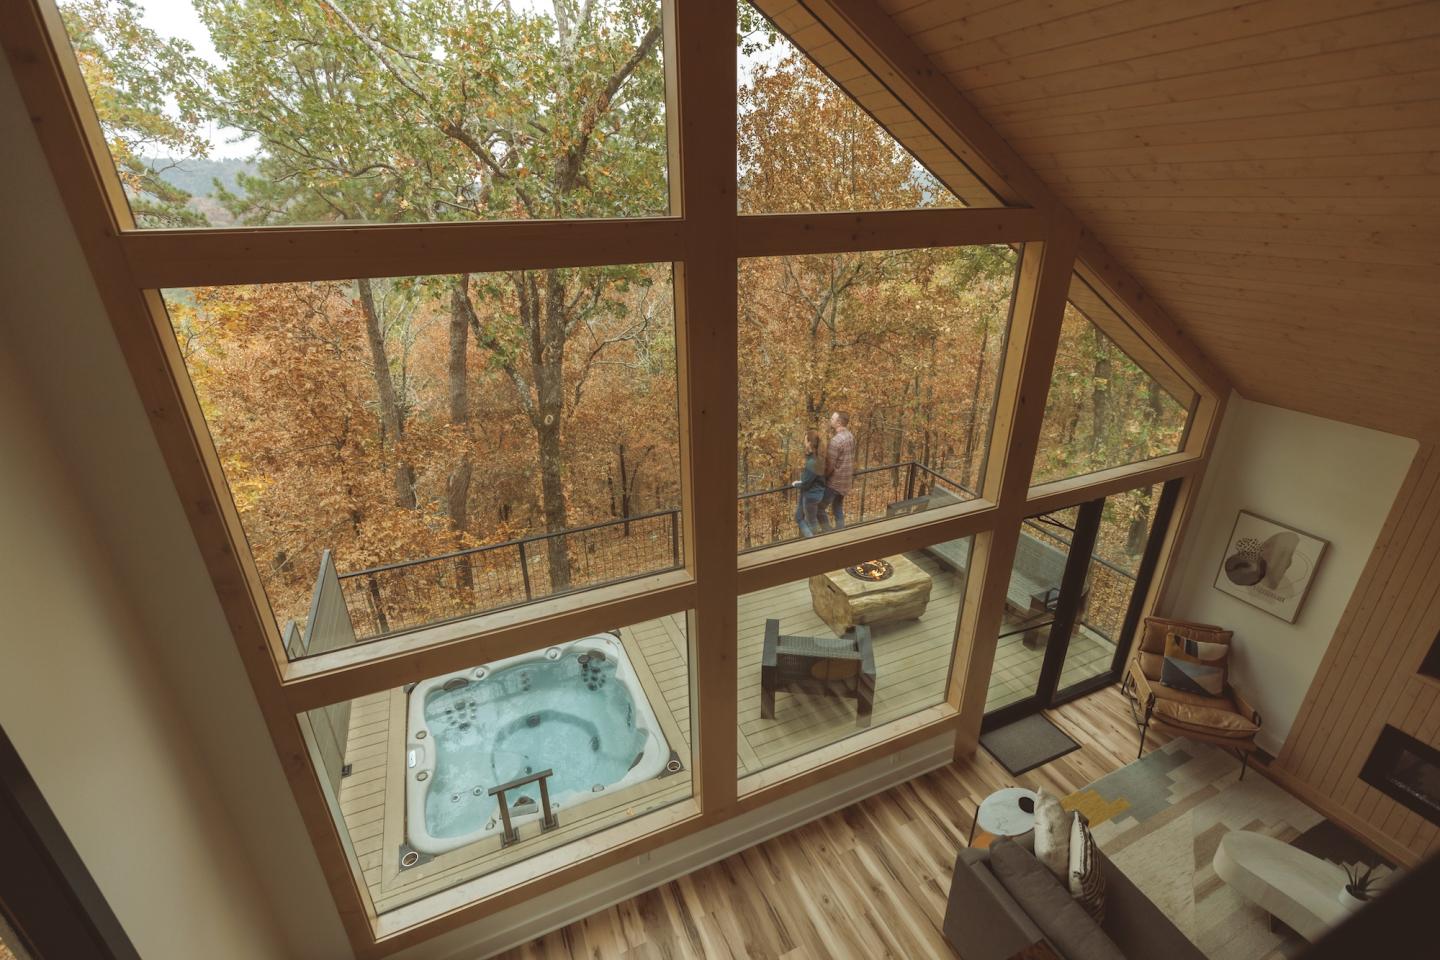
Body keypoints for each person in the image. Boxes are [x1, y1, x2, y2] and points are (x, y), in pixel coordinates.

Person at [818, 411, 854, 531]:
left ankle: (829, 534)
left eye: (832, 419)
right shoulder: (850, 436)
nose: (830, 420)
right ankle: (841, 532)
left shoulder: (835, 441)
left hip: (835, 483)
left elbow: (830, 466)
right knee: (837, 506)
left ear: (839, 422)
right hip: (846, 481)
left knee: (819, 508)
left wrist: (823, 478)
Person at [792, 429, 826, 538]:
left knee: (812, 523)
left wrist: (796, 484)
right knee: (798, 517)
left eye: (805, 440)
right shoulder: (816, 457)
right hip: (813, 493)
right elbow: (811, 478)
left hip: (811, 495)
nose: (803, 442)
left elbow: (806, 483)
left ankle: (814, 543)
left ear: (810, 442)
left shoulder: (813, 461)